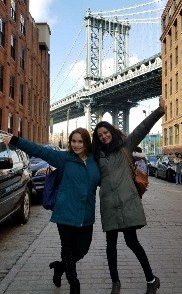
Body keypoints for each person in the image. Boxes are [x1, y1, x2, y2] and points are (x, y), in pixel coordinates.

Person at [3, 128, 100, 294]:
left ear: (86, 143)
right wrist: (15, 140)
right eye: (73, 141)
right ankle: (74, 285)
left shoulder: (95, 161)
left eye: (80, 141)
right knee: (68, 250)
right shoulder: (63, 158)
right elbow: (39, 150)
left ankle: (59, 267)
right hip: (65, 213)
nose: (76, 145)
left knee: (82, 249)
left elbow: (107, 179)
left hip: (86, 214)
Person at [92, 96, 165, 294]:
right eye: (100, 135)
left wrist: (159, 111)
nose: (104, 137)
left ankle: (151, 280)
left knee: (132, 242)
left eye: (106, 132)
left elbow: (142, 128)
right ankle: (115, 283)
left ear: (112, 132)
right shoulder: (97, 155)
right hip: (108, 204)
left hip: (127, 202)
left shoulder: (126, 146)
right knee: (111, 245)